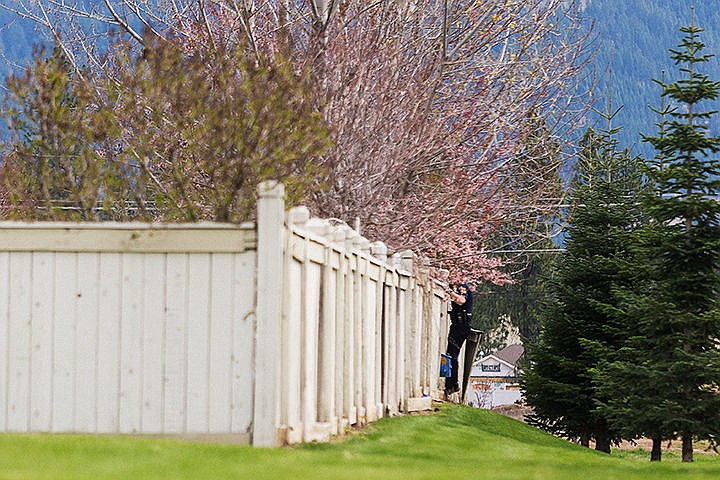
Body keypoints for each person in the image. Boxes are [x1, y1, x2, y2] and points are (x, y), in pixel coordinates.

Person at [444, 282, 474, 397]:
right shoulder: (455, 287)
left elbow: (461, 301)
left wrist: (450, 292)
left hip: (462, 326)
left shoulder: (463, 287)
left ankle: (453, 384)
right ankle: (448, 383)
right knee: (448, 355)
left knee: (452, 355)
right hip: (455, 325)